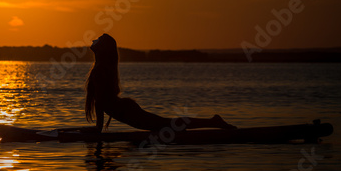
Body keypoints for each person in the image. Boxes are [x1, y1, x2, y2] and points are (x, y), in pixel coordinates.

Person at [84, 33, 237, 133]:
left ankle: (213, 121)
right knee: (167, 124)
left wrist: (98, 129)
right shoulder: (102, 68)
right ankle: (212, 121)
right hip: (127, 109)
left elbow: (100, 103)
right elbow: (102, 101)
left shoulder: (100, 70)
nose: (94, 40)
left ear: (103, 48)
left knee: (168, 125)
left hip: (128, 112)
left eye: (99, 40)